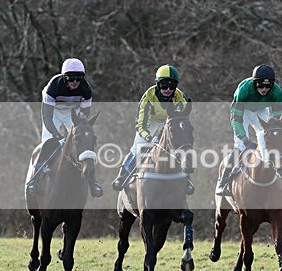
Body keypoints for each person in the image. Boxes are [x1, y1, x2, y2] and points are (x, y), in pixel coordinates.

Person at [26, 57, 103, 198]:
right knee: (47, 144)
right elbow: (47, 117)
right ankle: (34, 180)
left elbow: (84, 118)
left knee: (84, 142)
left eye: (78, 78)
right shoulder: (53, 87)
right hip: (53, 113)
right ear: (64, 77)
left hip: (71, 113)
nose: (74, 82)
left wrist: (80, 128)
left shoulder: (86, 90)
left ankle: (92, 182)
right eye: (70, 78)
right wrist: (57, 135)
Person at [111, 64, 194, 193]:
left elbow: (181, 118)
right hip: (150, 122)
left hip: (169, 121)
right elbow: (141, 123)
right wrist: (149, 137)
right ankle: (123, 175)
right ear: (157, 84)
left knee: (178, 146)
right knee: (138, 147)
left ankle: (186, 178)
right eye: (163, 85)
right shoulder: (149, 96)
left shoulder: (180, 97)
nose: (167, 89)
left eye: (171, 86)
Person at [215, 64, 282, 196]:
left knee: (272, 140)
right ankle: (222, 182)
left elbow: (278, 120)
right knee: (239, 146)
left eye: (268, 86)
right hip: (242, 112)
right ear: (254, 83)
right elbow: (236, 120)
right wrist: (245, 140)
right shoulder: (244, 90)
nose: (264, 89)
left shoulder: (276, 92)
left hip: (261, 110)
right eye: (261, 86)